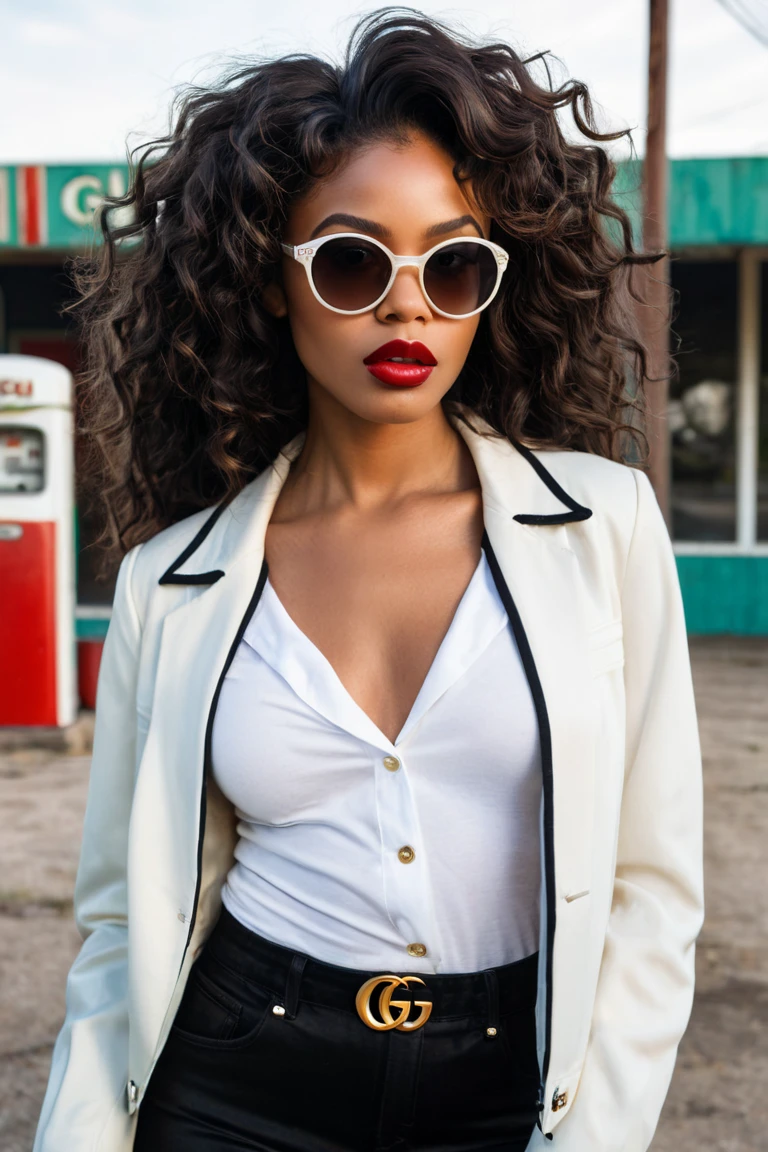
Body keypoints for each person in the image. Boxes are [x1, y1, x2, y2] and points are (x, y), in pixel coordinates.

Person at [32, 9, 703, 1152]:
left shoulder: (605, 528)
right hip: (238, 1074)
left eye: (452, 264)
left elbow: (652, 892)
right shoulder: (172, 584)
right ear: (270, 280)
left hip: (508, 1080)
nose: (408, 304)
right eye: (351, 260)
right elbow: (118, 926)